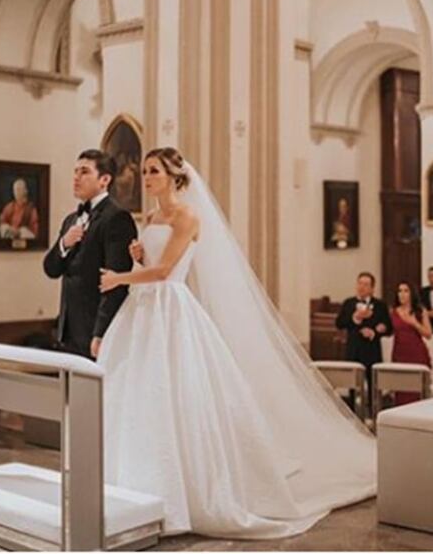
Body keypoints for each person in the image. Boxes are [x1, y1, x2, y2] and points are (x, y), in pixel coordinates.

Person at [96, 147, 375, 538]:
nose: (146, 177)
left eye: (154, 171)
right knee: (138, 393)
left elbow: (165, 273)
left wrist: (120, 278)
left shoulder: (186, 216)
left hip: (170, 309)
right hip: (142, 313)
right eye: (144, 171)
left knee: (176, 393)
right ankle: (134, 483)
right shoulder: (153, 216)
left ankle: (186, 492)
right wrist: (138, 257)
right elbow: (152, 264)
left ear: (175, 177)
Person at [42, 149, 137, 358]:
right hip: (68, 329)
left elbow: (116, 282)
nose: (76, 177)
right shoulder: (70, 220)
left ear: (104, 179)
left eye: (84, 172)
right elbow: (50, 269)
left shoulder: (117, 218)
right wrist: (64, 243)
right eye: (75, 171)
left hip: (96, 329)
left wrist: (101, 333)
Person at [336, 272, 392, 387]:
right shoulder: (348, 303)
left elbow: (389, 328)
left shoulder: (380, 305)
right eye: (360, 283)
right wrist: (355, 317)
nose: (361, 287)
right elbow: (339, 323)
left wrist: (375, 332)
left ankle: (373, 405)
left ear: (372, 288)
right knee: (352, 386)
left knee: (374, 385)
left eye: (366, 284)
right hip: (353, 350)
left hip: (372, 351)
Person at [390, 281, 433, 405]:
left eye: (405, 291)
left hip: (416, 354)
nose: (402, 294)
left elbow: (428, 334)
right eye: (399, 291)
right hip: (399, 353)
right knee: (400, 390)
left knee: (416, 392)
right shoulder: (393, 311)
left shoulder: (420, 311)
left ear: (411, 294)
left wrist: (414, 323)